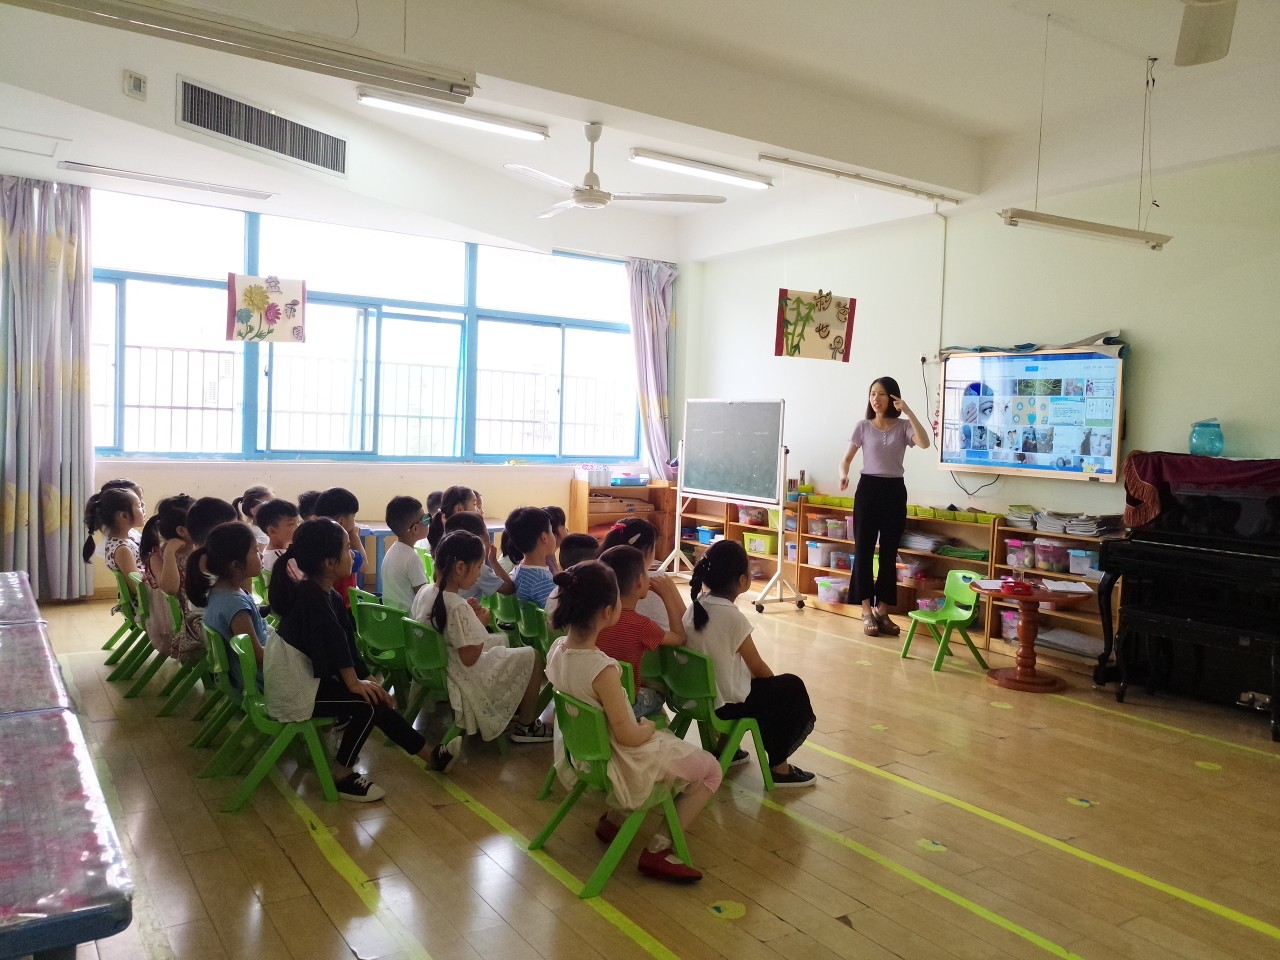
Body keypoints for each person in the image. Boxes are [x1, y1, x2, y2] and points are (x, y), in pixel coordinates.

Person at [545, 560, 721, 883]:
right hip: (620, 762)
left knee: (668, 747)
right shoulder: (603, 670)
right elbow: (628, 736)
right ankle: (659, 849)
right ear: (607, 612)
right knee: (711, 770)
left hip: (581, 756)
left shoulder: (556, 650)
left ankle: (614, 819)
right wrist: (649, 727)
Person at [268, 518, 461, 802]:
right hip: (294, 691)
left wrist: (368, 679)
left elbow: (347, 645)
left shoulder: (328, 595)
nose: (353, 554)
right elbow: (332, 647)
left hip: (306, 682)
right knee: (366, 705)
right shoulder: (311, 597)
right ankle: (343, 774)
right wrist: (353, 683)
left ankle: (432, 756)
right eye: (347, 548)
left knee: (374, 696)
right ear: (329, 563)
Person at [684, 540, 817, 787]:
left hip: (691, 697)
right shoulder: (732, 617)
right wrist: (774, 689)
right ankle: (779, 768)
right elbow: (759, 668)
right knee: (790, 687)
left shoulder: (696, 606)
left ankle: (728, 748)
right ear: (743, 580)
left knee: (749, 685)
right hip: (720, 707)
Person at [410, 530, 551, 743]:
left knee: (503, 640)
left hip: (437, 666)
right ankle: (527, 725)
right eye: (478, 567)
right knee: (534, 656)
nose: (479, 574)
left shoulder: (426, 592)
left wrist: (470, 618)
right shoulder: (456, 605)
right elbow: (469, 658)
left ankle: (514, 709)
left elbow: (447, 628)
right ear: (460, 568)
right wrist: (480, 623)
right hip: (460, 674)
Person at [837, 375, 930, 637]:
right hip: (868, 490)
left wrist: (908, 411)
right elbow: (846, 459)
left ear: (892, 397)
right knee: (864, 550)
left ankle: (883, 611)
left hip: (894, 491)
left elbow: (924, 443)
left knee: (889, 554)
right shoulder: (862, 426)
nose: (875, 399)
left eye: (880, 394)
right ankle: (866, 610)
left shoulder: (903, 427)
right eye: (872, 394)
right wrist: (843, 474)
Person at [595, 545, 687, 719]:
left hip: (593, 698)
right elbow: (680, 637)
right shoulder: (641, 625)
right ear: (639, 582)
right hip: (624, 704)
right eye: (646, 572)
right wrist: (667, 595)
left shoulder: (595, 618)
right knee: (660, 692)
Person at [187, 521, 266, 692]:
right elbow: (258, 656)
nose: (261, 555)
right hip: (257, 680)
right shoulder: (236, 606)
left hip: (240, 676)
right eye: (256, 551)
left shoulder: (217, 592)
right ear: (236, 565)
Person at [139, 493, 205, 665]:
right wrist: (169, 552)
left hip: (200, 610)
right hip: (184, 622)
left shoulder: (199, 551)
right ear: (182, 531)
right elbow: (170, 588)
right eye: (199, 523)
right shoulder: (157, 557)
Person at [599, 517, 679, 629]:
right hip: (663, 639)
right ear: (646, 551)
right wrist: (667, 596)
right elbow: (685, 623)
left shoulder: (597, 579)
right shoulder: (661, 581)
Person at [444, 510, 515, 600]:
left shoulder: (445, 561)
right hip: (461, 608)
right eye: (486, 530)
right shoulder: (477, 570)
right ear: (480, 539)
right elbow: (510, 589)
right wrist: (493, 561)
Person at [314, 487, 366, 607]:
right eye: (353, 518)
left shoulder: (313, 543)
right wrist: (354, 535)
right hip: (345, 608)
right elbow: (364, 566)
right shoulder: (341, 554)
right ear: (341, 522)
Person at [82, 486, 145, 578]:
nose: (143, 509)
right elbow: (135, 584)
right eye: (139, 506)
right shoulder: (123, 549)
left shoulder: (128, 539)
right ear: (124, 516)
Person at [381, 495, 430, 611]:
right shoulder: (412, 559)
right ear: (415, 529)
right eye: (426, 519)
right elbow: (424, 597)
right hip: (409, 620)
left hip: (391, 617)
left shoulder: (391, 552)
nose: (429, 522)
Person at [505, 507, 557, 607]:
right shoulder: (543, 581)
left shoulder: (518, 570)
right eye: (551, 531)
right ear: (544, 538)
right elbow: (555, 613)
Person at [425, 485, 479, 552]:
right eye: (474, 504)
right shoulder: (462, 542)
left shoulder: (442, 535)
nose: (478, 510)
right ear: (459, 509)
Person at [255, 499, 300, 576]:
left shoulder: (272, 552)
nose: (298, 527)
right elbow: (303, 580)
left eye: (298, 522)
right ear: (272, 531)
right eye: (291, 524)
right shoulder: (281, 559)